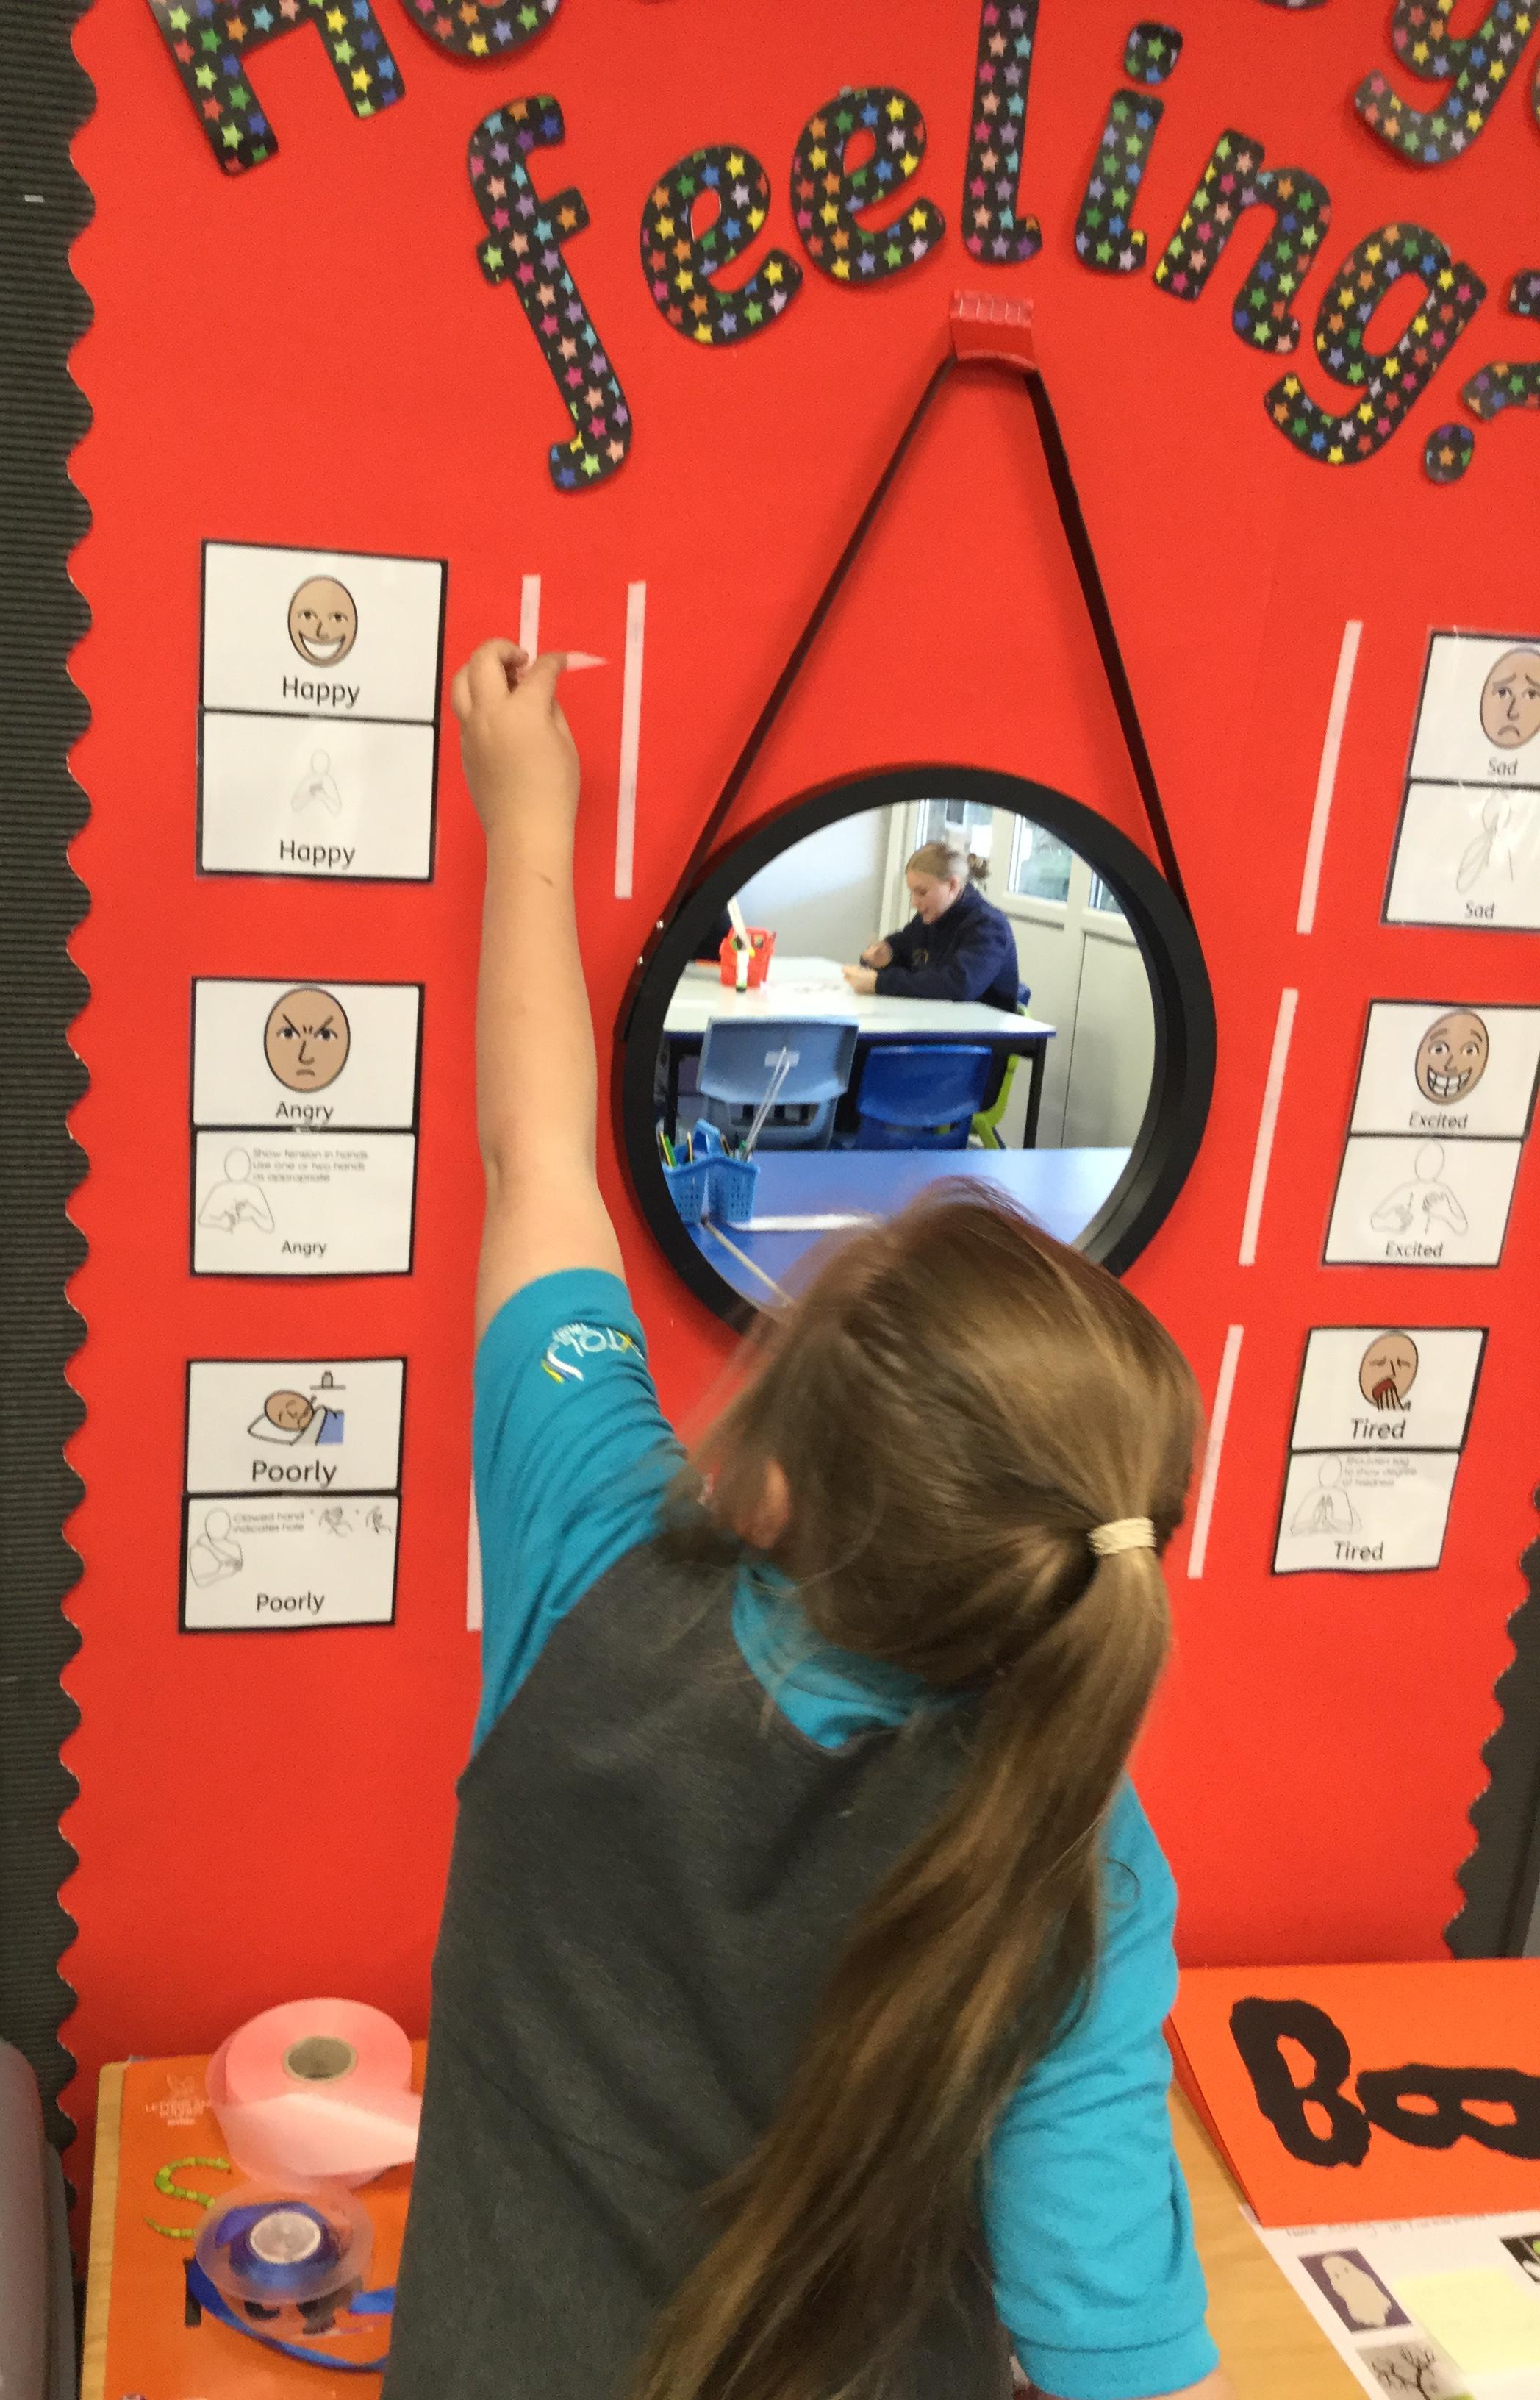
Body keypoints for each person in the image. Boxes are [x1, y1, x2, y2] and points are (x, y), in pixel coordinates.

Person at [383, 639, 1229, 2400]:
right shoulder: (1079, 1851)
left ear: (766, 1483)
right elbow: (1122, 2365)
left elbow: (537, 1161)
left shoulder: (592, 1559)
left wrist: (525, 820)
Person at [845, 833, 1021, 1008]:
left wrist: (879, 983)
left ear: (952, 885)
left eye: (922, 892)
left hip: (981, 1025)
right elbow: (904, 949)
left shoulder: (989, 926)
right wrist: (886, 956)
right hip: (933, 1018)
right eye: (912, 892)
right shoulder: (929, 917)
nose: (914, 903)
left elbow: (957, 986)